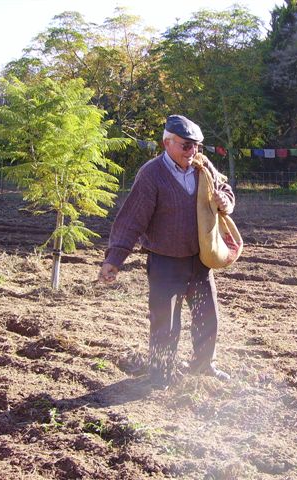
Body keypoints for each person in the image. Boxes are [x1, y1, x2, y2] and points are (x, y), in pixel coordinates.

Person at [98, 114, 235, 387]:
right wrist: (114, 259)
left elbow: (226, 191)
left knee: (207, 316)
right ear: (167, 143)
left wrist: (225, 201)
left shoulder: (203, 167)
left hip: (199, 259)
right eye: (186, 145)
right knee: (166, 323)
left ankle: (203, 364)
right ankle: (161, 375)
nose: (192, 151)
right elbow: (132, 219)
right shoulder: (152, 174)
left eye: (196, 145)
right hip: (165, 262)